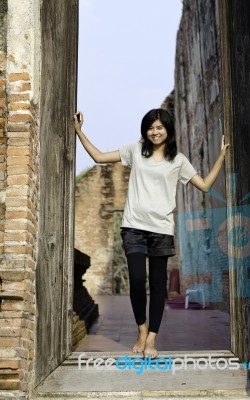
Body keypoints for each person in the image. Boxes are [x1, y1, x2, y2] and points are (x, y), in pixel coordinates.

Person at [74, 108, 229, 359]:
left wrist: (221, 157)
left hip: (161, 230)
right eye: (150, 128)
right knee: (137, 281)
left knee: (158, 286)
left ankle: (153, 338)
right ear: (145, 131)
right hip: (134, 227)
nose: (154, 132)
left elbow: (205, 185)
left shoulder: (178, 160)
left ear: (167, 130)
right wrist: (79, 131)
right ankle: (141, 330)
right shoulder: (135, 151)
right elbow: (100, 157)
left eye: (159, 127)